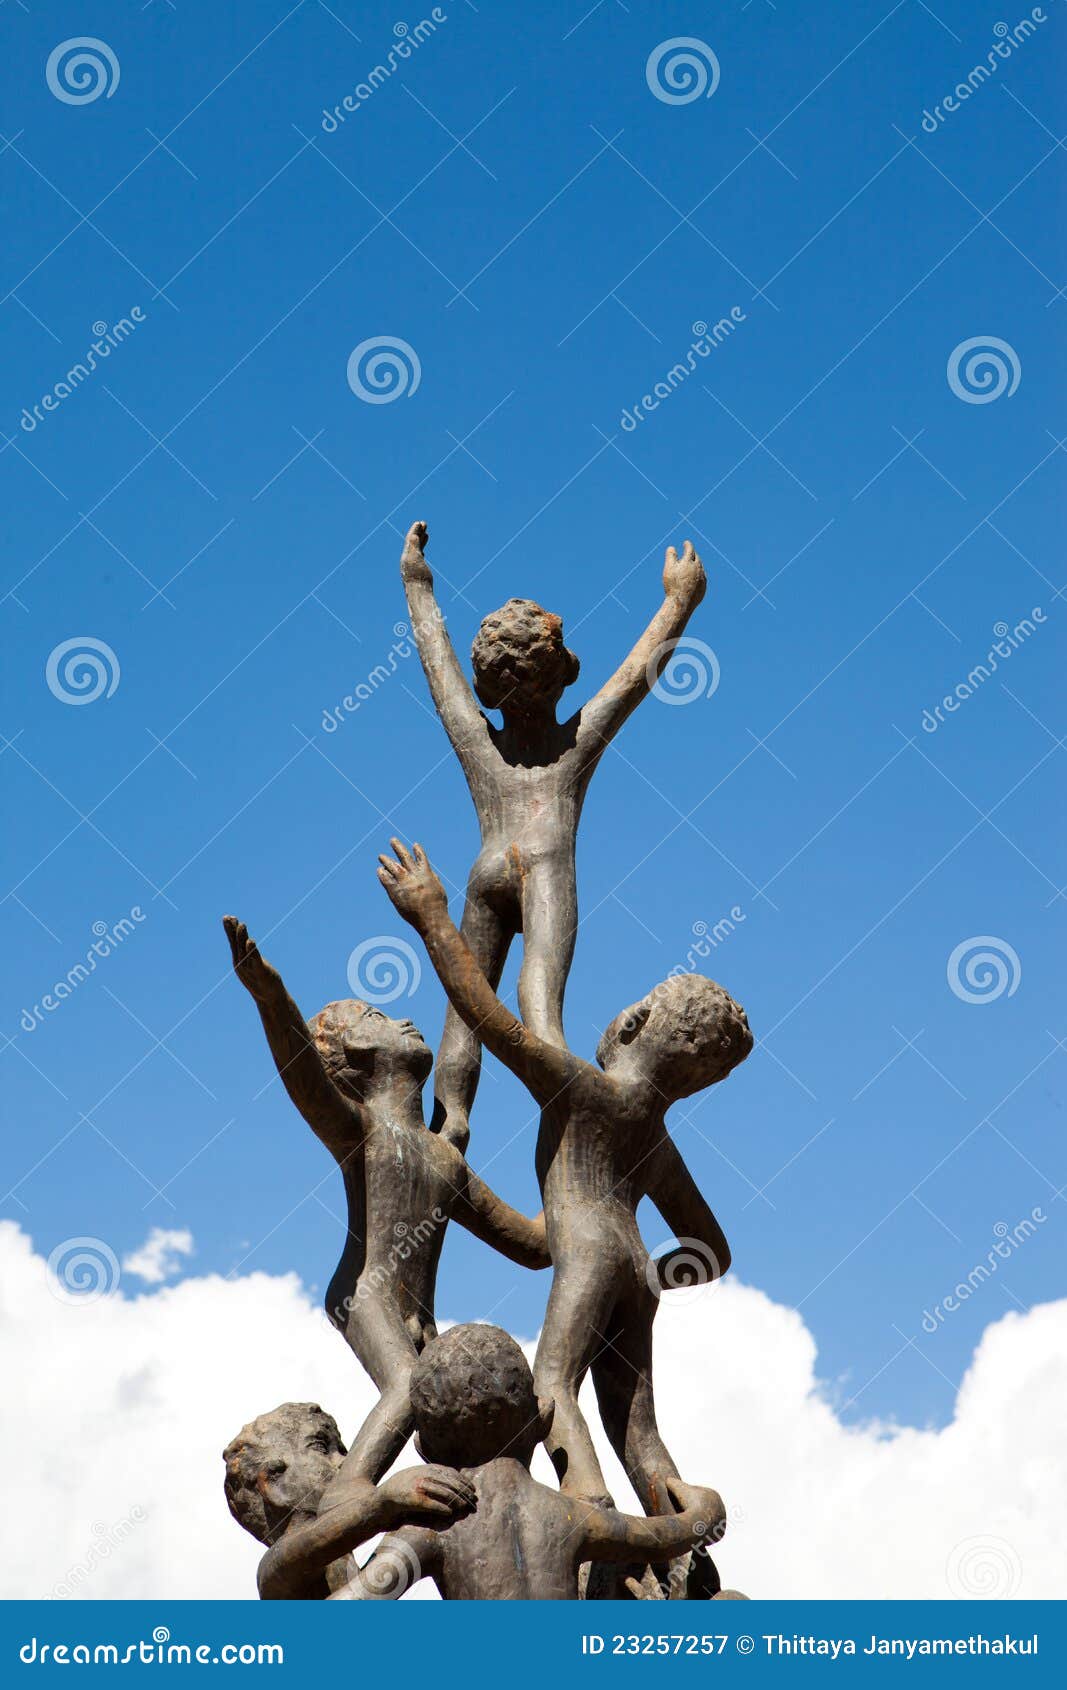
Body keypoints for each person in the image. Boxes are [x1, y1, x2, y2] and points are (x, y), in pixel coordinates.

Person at [375, 842, 751, 1519]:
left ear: (632, 1024)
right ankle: (676, 1519)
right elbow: (712, 1250)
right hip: (632, 1265)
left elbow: (485, 1014)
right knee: (636, 1430)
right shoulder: (656, 1142)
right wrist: (649, 1275)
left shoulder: (585, 1091)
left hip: (591, 1256)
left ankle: (589, 1507)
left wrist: (429, 915)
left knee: (552, 1383)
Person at [398, 519, 707, 1149]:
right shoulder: (572, 749)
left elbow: (440, 669)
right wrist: (680, 601)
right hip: (543, 870)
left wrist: (417, 583)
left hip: (486, 869)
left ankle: (453, 1116)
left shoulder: (483, 749)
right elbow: (635, 676)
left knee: (464, 1012)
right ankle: (564, 1116)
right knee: (537, 999)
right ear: (560, 674)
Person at [223, 917, 549, 1487]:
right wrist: (272, 999)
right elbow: (305, 1080)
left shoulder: (444, 1157)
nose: (401, 1018)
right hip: (365, 1294)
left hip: (421, 1319)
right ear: (352, 1054)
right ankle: (352, 1492)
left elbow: (535, 1245)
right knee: (410, 1390)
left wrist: (588, 1179)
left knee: (485, 1424)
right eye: (377, 1018)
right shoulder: (363, 1131)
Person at [326, 1326, 724, 1600]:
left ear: (424, 1451)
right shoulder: (573, 1517)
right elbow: (673, 1533)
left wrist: (378, 1508)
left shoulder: (430, 1530)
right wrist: (705, 1507)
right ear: (542, 1418)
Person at [222, 1400, 475, 1600]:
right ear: (274, 1484)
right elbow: (311, 1543)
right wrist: (383, 1503)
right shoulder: (275, 1570)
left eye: (342, 1450)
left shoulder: (366, 1569)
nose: (343, 1462)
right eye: (322, 1448)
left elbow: (399, 1390)